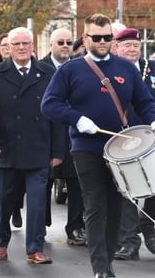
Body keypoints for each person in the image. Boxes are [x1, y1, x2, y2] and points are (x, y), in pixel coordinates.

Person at [41, 13, 155, 278]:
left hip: (120, 149)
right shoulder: (71, 69)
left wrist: (153, 121)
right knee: (95, 205)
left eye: (108, 37)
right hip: (86, 148)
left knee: (116, 205)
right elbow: (49, 103)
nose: (104, 42)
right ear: (85, 39)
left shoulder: (126, 68)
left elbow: (144, 101)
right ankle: (101, 268)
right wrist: (77, 118)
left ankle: (107, 258)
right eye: (98, 38)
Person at [0, 27, 65, 265]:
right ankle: (1, 242)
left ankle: (34, 249)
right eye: (16, 44)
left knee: (37, 202)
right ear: (8, 47)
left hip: (39, 149)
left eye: (25, 43)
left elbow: (57, 112)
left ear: (33, 46)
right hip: (6, 149)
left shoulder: (47, 73)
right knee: (4, 201)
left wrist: (58, 151)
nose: (21, 48)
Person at [112, 28, 155, 261]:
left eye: (136, 46)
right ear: (116, 48)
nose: (132, 50)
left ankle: (147, 226)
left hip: (151, 135)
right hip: (123, 137)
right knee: (126, 189)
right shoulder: (111, 70)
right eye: (126, 45)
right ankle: (130, 241)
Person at [39, 27, 87, 247]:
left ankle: (75, 227)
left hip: (73, 135)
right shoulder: (39, 68)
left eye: (69, 42)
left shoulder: (81, 68)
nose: (66, 46)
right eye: (60, 42)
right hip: (46, 136)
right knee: (43, 183)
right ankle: (40, 225)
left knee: (76, 184)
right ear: (51, 45)